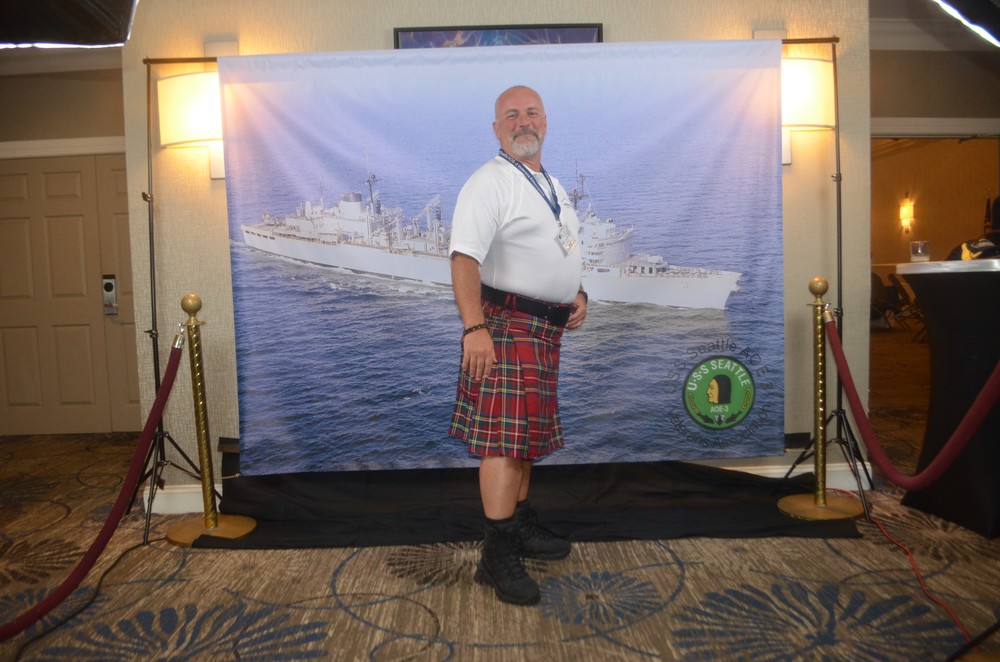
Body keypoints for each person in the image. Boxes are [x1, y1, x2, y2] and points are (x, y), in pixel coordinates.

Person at [448, 85, 588, 605]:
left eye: (531, 113)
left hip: (544, 331)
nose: (523, 122)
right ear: (496, 129)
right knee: (504, 444)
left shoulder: (551, 183)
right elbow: (464, 258)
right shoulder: (489, 182)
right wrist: (474, 328)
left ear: (545, 122)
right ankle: (496, 554)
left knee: (524, 437)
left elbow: (558, 248)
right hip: (504, 327)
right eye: (511, 115)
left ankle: (520, 525)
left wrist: (575, 293)